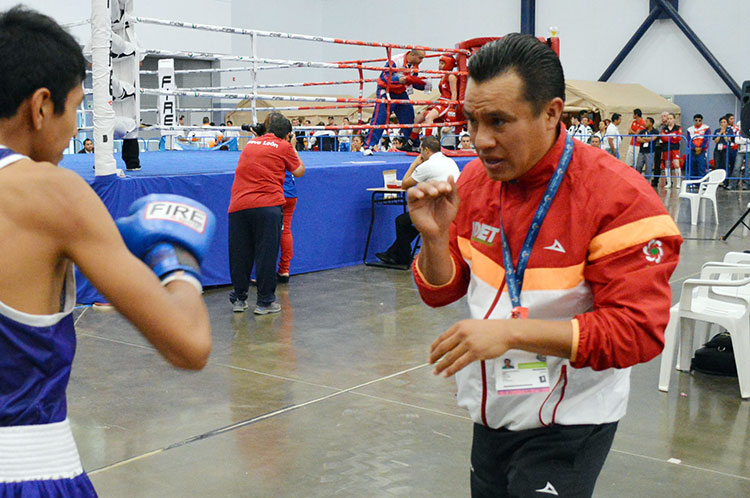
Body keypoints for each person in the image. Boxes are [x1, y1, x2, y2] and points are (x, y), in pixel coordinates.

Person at [408, 34, 681, 497]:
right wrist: (433, 240)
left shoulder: (620, 198)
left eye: (499, 122)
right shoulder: (475, 180)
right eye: (472, 121)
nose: (481, 140)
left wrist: (511, 333)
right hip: (493, 406)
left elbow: (638, 331)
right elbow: (441, 291)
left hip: (571, 418)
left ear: (553, 113)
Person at [0, 7, 216, 496]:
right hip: (26, 474)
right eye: (75, 107)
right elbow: (189, 343)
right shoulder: (53, 194)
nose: (74, 127)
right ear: (40, 106)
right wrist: (175, 262)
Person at [228, 113, 305, 314]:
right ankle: (264, 302)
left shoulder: (251, 143)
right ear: (287, 135)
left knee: (240, 254)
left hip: (238, 205)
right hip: (267, 205)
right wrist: (293, 147)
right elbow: (299, 171)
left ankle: (239, 298)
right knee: (266, 254)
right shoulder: (284, 146)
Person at [376, 136, 459, 267]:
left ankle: (402, 258)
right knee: (409, 224)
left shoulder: (427, 165)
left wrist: (414, 164)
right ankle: (392, 253)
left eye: (421, 151)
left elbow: (404, 184)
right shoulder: (450, 161)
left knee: (401, 222)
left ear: (426, 150)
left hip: (437, 210)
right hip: (453, 206)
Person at [364, 49, 426, 150]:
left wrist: (424, 85)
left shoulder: (415, 67)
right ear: (413, 54)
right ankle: (368, 146)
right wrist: (399, 80)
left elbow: (411, 82)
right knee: (380, 118)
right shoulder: (396, 60)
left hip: (401, 92)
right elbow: (384, 76)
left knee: (409, 117)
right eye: (420, 58)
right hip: (387, 91)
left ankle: (413, 145)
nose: (421, 61)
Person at [411, 54, 458, 145]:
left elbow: (454, 93)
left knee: (429, 117)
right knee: (418, 118)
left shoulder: (451, 76)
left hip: (446, 103)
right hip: (440, 101)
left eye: (442, 63)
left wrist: (452, 108)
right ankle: (411, 143)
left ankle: (428, 143)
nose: (439, 65)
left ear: (449, 64)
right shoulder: (443, 76)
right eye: (439, 63)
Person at [661, 113, 682, 188]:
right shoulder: (664, 128)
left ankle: (678, 183)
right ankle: (669, 182)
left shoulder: (678, 128)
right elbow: (663, 138)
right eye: (668, 119)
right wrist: (672, 137)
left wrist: (669, 137)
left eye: (671, 118)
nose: (669, 120)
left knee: (676, 164)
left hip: (675, 148)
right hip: (666, 148)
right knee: (667, 165)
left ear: (674, 119)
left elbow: (679, 138)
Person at [686, 113, 709, 181]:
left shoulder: (706, 128)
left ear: (702, 121)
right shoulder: (690, 129)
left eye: (699, 120)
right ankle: (693, 182)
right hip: (693, 151)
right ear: (693, 121)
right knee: (692, 166)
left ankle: (702, 182)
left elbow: (706, 139)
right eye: (696, 120)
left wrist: (701, 148)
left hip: (702, 151)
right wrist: (694, 148)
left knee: (701, 167)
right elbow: (689, 140)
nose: (698, 122)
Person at [713, 116, 733, 188]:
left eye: (724, 122)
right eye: (721, 122)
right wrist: (720, 133)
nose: (722, 123)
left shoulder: (729, 130)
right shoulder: (717, 130)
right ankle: (717, 181)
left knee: (726, 165)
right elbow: (716, 140)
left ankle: (726, 182)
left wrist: (724, 133)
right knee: (717, 165)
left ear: (727, 123)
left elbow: (728, 140)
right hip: (718, 150)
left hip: (726, 150)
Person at [651, 112, 669, 187]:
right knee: (657, 163)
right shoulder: (658, 126)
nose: (663, 118)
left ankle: (668, 180)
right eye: (662, 116)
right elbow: (655, 133)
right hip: (658, 146)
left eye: (664, 116)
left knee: (667, 164)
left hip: (667, 146)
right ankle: (655, 179)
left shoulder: (670, 126)